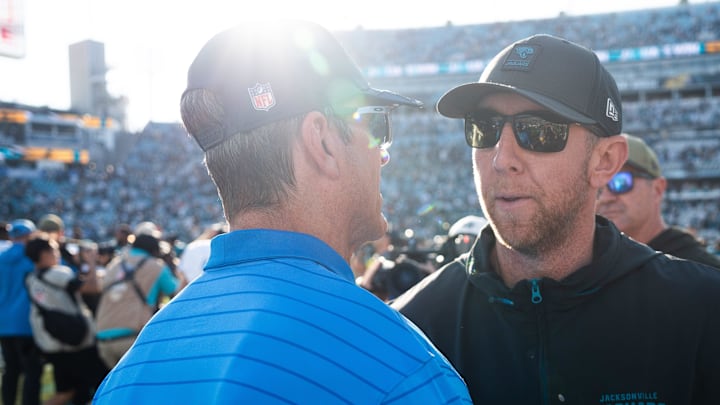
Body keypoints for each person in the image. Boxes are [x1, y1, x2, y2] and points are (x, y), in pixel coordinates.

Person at [93, 20, 471, 404]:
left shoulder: (129, 372)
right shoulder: (403, 368)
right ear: (321, 140)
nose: (382, 153)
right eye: (375, 123)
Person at [391, 34, 720, 404]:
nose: (501, 159)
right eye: (485, 127)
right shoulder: (410, 328)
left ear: (605, 161)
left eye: (540, 132)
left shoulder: (701, 312)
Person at [596, 133, 720, 268]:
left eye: (620, 182)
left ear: (657, 189)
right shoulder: (593, 268)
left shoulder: (703, 272)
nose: (605, 198)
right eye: (597, 186)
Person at [24, 233, 108, 405]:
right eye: (54, 249)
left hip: (54, 343)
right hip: (77, 342)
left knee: (66, 392)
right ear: (45, 253)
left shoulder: (31, 279)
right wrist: (91, 262)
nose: (58, 254)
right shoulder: (58, 274)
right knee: (103, 383)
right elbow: (92, 287)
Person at [95, 223, 185, 369]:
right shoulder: (155, 266)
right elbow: (178, 292)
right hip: (132, 339)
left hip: (102, 339)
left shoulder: (114, 264)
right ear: (155, 250)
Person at [0, 219, 43, 405]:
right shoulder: (31, 257)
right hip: (26, 323)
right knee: (32, 372)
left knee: (11, 370)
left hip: (3, 323)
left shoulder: (1, 257)